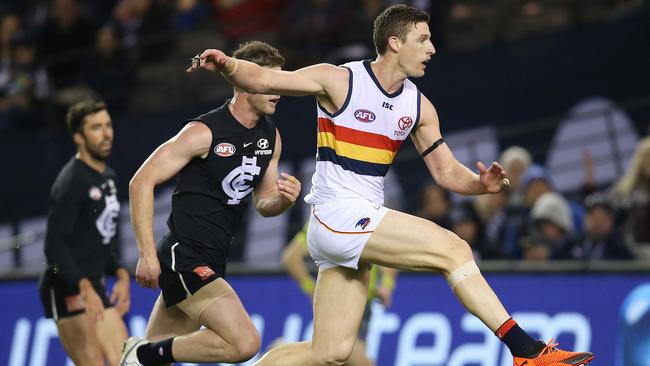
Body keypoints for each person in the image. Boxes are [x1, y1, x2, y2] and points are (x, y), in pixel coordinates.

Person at [187, 5, 594, 366]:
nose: (432, 48)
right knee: (454, 249)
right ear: (395, 42)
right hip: (337, 215)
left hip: (351, 227)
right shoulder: (339, 80)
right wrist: (228, 65)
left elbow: (447, 171)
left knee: (329, 353)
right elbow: (264, 80)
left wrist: (480, 184)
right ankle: (527, 352)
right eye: (423, 39)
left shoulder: (418, 105)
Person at [120, 41, 301, 366]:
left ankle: (141, 356)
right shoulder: (203, 132)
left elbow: (263, 203)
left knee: (149, 362)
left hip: (214, 257)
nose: (279, 91)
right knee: (245, 342)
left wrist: (283, 201)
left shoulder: (270, 137)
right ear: (246, 82)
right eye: (270, 83)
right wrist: (147, 254)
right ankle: (142, 353)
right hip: (184, 255)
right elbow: (140, 182)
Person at [38, 98, 130, 366]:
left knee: (124, 360)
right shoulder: (72, 180)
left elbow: (99, 243)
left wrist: (121, 273)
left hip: (92, 283)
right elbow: (54, 246)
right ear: (79, 137)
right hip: (64, 285)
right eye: (96, 128)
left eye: (108, 125)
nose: (106, 133)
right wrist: (82, 285)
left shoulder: (108, 177)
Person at [282, 222, 397, 366]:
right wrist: (387, 284)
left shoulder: (322, 219)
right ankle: (280, 353)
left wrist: (311, 289)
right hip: (347, 301)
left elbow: (291, 256)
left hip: (344, 301)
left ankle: (280, 352)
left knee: (337, 357)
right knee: (352, 357)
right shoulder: (366, 216)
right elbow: (390, 250)